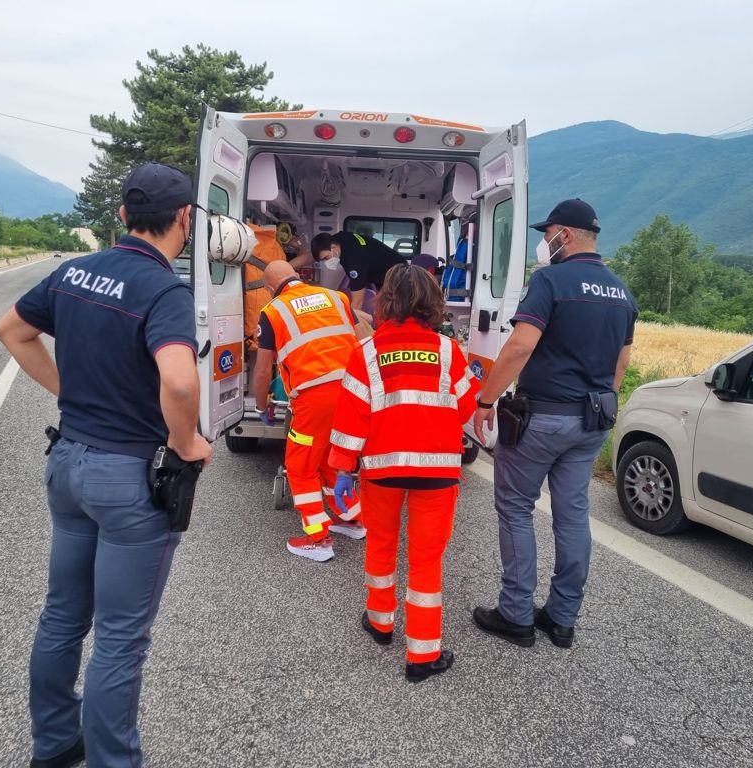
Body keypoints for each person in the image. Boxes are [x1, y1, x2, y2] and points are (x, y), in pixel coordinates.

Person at [0, 162, 212, 768]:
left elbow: (11, 331)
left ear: (122, 216)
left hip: (67, 464)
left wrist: (70, 393)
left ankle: (55, 743)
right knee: (120, 637)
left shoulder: (71, 274)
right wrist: (187, 443)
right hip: (126, 480)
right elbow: (177, 377)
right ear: (184, 220)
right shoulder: (164, 291)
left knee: (63, 614)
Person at [470, 198, 636, 650]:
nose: (544, 242)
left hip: (543, 417)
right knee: (572, 515)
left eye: (547, 235)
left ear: (566, 233)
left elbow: (520, 346)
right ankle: (562, 618)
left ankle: (517, 614)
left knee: (516, 507)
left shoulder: (551, 280)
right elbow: (622, 362)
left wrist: (485, 400)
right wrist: (603, 397)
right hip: (593, 420)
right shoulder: (622, 292)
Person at [329, 264, 478, 682]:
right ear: (433, 303)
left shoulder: (367, 352)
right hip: (438, 475)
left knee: (380, 544)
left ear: (385, 302)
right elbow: (467, 408)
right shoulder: (449, 352)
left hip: (382, 471)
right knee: (426, 560)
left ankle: (380, 623)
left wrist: (342, 471)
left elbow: (350, 419)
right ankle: (422, 655)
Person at [253, 260, 367, 561]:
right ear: (297, 277)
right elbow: (357, 338)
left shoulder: (273, 311)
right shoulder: (337, 297)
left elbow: (264, 371)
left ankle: (318, 539)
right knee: (333, 458)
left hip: (316, 398)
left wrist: (261, 406)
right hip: (353, 392)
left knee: (301, 466)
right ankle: (351, 518)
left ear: (268, 289)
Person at [311, 230, 408, 311]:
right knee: (381, 307)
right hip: (384, 273)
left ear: (333, 247)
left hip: (398, 274)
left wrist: (350, 328)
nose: (326, 262)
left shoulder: (354, 260)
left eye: (326, 258)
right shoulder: (338, 239)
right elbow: (308, 256)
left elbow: (358, 302)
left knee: (391, 310)